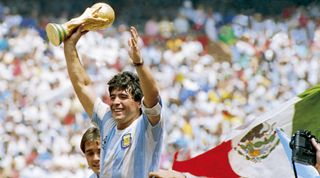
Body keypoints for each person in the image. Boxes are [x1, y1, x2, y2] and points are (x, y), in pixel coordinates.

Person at [63, 25, 164, 178]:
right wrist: (69, 46)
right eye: (113, 97)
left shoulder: (147, 125)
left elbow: (153, 96)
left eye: (123, 97)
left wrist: (139, 63)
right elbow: (82, 85)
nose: (116, 102)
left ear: (138, 103)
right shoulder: (107, 120)